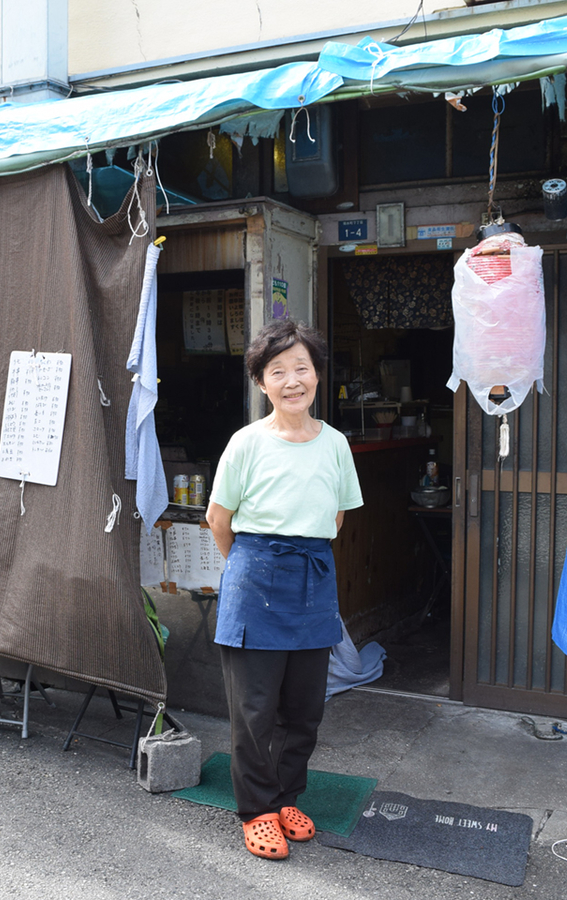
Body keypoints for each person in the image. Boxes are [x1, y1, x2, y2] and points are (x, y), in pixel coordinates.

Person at [205, 318, 363, 860]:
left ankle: (288, 796)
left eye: (302, 368)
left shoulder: (336, 444)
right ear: (262, 382)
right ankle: (256, 810)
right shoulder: (246, 443)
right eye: (279, 371)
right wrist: (254, 565)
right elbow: (218, 518)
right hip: (255, 576)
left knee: (305, 707)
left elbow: (336, 518)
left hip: (313, 579)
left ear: (317, 375)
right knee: (254, 710)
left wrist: (297, 560)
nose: (292, 380)